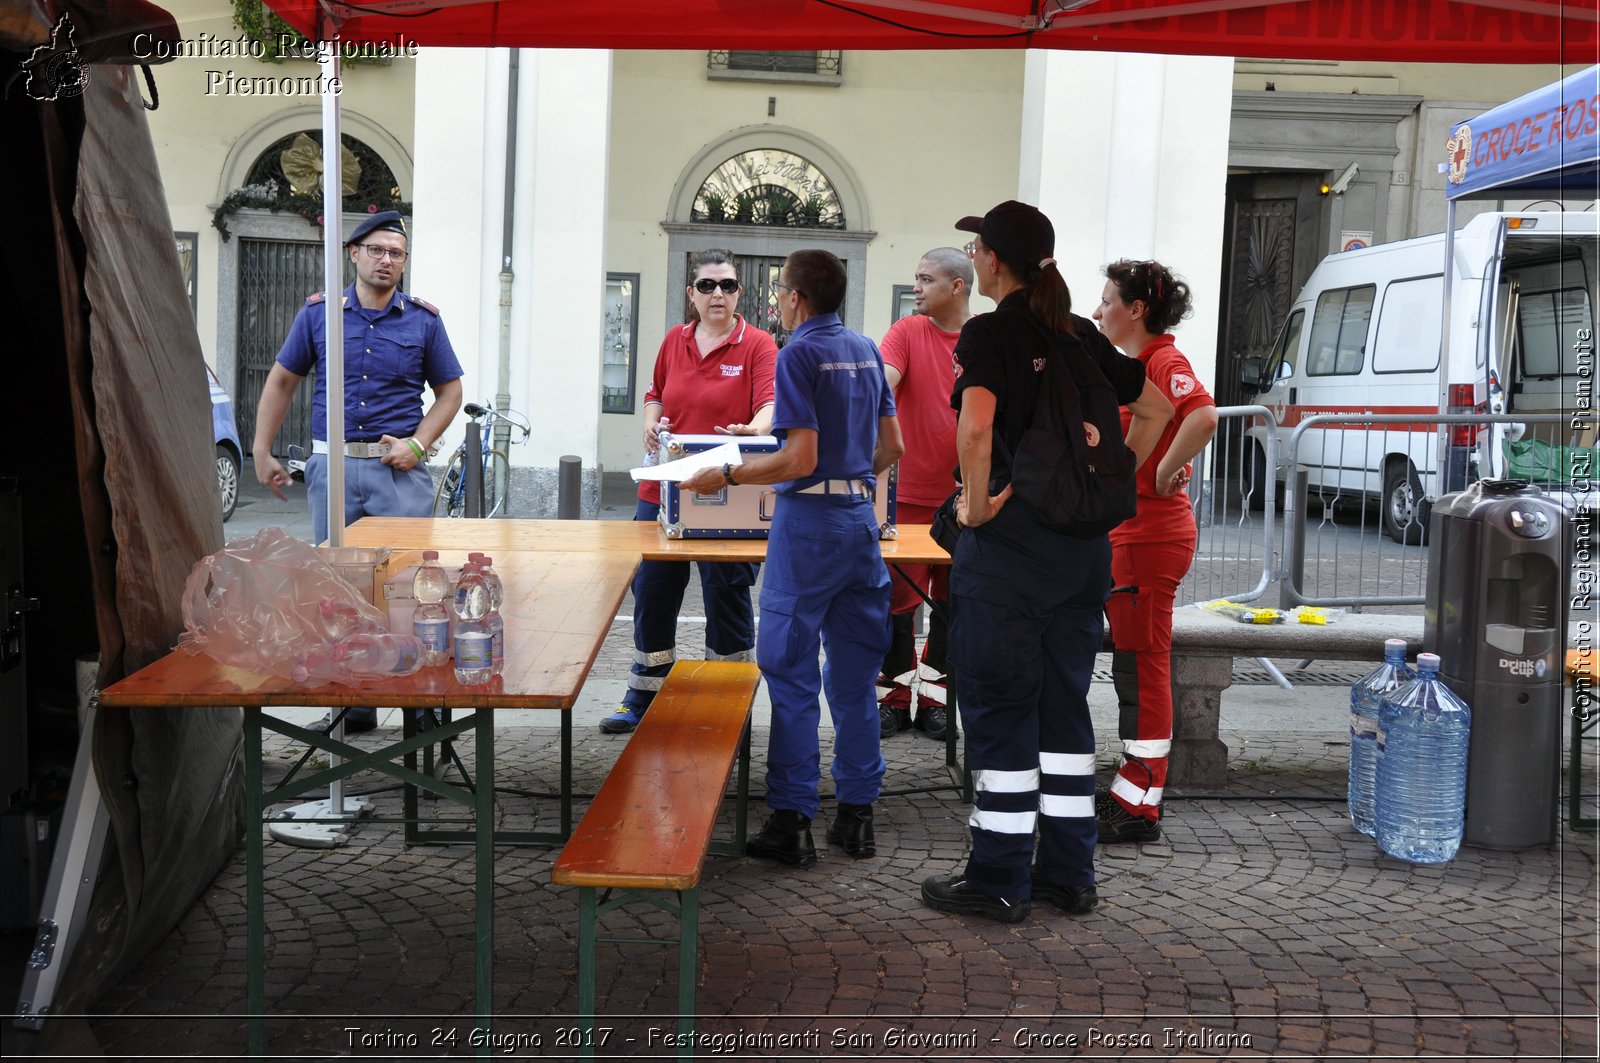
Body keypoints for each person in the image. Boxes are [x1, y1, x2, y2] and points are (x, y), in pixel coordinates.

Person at [920, 201, 1172, 923]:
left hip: (1011, 561)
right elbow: (1155, 410)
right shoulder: (1081, 336)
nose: (973, 256)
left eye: (977, 247)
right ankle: (1070, 872)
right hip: (1081, 557)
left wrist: (972, 506)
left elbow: (976, 427)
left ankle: (998, 875)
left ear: (995, 262)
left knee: (1000, 713)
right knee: (1063, 712)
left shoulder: (990, 332)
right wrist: (1114, 476)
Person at [682, 249, 903, 867]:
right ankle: (857, 816)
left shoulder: (798, 353)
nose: (776, 301)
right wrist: (854, 482)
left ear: (796, 299)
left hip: (808, 524)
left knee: (790, 672)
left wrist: (726, 472)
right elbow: (894, 445)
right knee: (857, 677)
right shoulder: (864, 348)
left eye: (779, 292)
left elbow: (799, 458)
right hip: (860, 521)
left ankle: (792, 819)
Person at [254, 210, 463, 732]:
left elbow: (451, 392)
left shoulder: (423, 321)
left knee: (413, 589)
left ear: (404, 262)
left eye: (396, 253)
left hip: (398, 473)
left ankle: (419, 707)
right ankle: (354, 702)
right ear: (354, 254)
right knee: (340, 589)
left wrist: (420, 442)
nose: (386, 260)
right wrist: (261, 450)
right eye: (376, 250)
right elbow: (282, 381)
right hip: (335, 470)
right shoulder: (319, 315)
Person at [600, 250, 779, 735]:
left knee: (727, 594)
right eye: (706, 286)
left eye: (726, 285)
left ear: (740, 293)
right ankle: (644, 692)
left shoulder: (759, 344)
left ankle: (727, 696)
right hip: (664, 491)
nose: (716, 293)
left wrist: (752, 430)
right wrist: (650, 425)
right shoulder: (674, 341)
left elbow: (768, 404)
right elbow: (654, 393)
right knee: (653, 592)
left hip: (727, 492)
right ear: (691, 294)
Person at [1091, 259, 1219, 844]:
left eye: (1108, 301)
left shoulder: (1162, 361)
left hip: (1150, 537)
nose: (1099, 311)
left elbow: (1204, 417)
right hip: (1136, 537)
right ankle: (1133, 784)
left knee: (1143, 667)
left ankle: (1141, 798)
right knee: (1134, 663)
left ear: (1136, 310)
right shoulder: (1137, 365)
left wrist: (1165, 470)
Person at [875, 248, 972, 741]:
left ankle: (935, 698)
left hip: (965, 501)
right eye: (915, 277)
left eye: (926, 278)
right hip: (907, 498)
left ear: (957, 285)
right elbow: (884, 380)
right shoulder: (907, 331)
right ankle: (892, 695)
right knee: (897, 603)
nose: (916, 286)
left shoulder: (982, 338)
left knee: (950, 604)